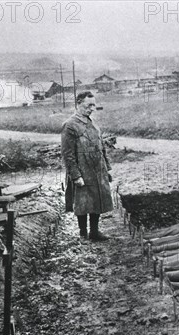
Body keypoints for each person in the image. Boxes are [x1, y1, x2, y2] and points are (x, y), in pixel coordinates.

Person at [61, 91, 113, 241]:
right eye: (88, 105)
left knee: (96, 200)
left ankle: (94, 232)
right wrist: (76, 175)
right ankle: (83, 233)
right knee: (83, 203)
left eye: (94, 105)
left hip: (97, 169)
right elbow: (68, 154)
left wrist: (107, 168)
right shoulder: (70, 125)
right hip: (82, 171)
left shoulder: (93, 123)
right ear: (78, 104)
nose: (92, 108)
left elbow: (101, 147)